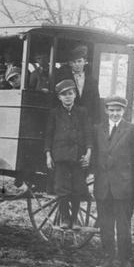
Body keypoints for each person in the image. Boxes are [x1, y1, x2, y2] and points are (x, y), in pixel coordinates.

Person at [93, 96, 134, 267]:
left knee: (123, 226)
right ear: (107, 110)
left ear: (124, 111)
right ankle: (107, 258)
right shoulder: (98, 130)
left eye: (118, 110)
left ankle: (125, 261)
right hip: (103, 187)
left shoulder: (132, 130)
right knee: (105, 226)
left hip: (124, 187)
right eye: (112, 110)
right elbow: (94, 157)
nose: (115, 113)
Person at [44, 79, 92, 230]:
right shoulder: (54, 113)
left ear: (75, 95)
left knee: (77, 187)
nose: (68, 97)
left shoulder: (82, 112)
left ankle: (75, 220)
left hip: (78, 156)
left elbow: (88, 133)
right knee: (62, 187)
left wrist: (89, 152)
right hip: (60, 156)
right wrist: (48, 155)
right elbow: (48, 135)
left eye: (70, 93)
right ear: (59, 97)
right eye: (64, 94)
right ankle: (65, 217)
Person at [57, 45, 101, 124]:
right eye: (74, 62)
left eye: (79, 61)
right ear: (70, 64)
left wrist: (96, 123)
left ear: (85, 61)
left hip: (87, 120)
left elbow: (96, 102)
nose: (77, 64)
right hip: (68, 120)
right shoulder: (64, 78)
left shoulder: (92, 81)